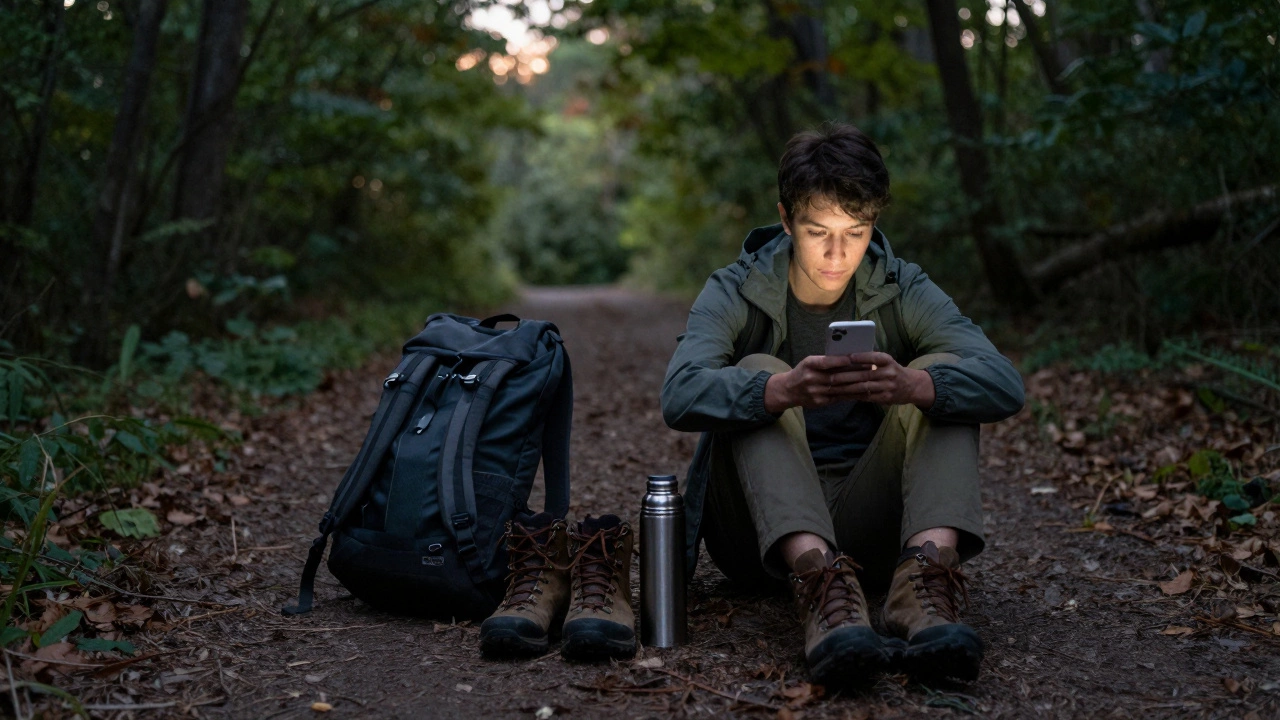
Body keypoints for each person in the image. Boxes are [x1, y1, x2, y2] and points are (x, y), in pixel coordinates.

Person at [660, 123, 1025, 687]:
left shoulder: (902, 286)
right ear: (785, 220)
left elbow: (1004, 383)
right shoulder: (737, 287)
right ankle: (820, 587)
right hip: (758, 536)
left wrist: (912, 386)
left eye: (856, 231)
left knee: (942, 377)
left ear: (874, 222)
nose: (837, 253)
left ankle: (923, 590)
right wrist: (780, 392)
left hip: (872, 523)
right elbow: (679, 393)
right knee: (760, 374)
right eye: (817, 231)